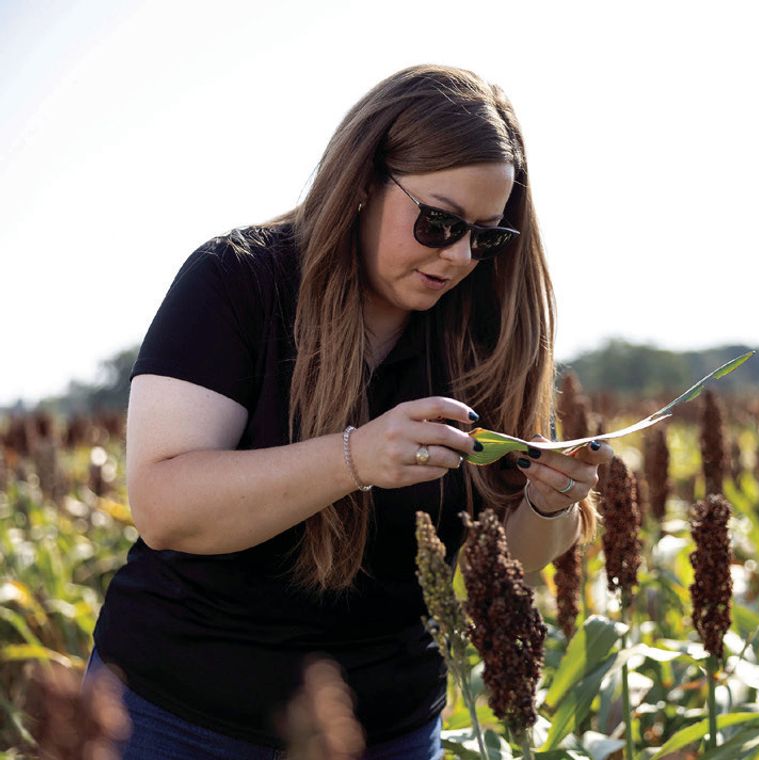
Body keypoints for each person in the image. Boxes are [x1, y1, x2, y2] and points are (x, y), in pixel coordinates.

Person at [83, 63, 612, 759]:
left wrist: (550, 506)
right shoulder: (237, 281)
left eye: (485, 237)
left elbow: (496, 560)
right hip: (176, 718)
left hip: (386, 729)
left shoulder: (486, 332)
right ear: (364, 182)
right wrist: (355, 457)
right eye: (437, 222)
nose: (457, 257)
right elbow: (164, 506)